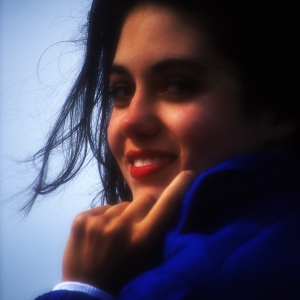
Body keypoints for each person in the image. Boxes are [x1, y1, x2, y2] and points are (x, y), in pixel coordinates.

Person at [31, 0, 300, 299]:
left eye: (177, 85)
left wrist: (81, 287)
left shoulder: (194, 282)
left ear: (278, 109)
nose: (132, 121)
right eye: (121, 91)